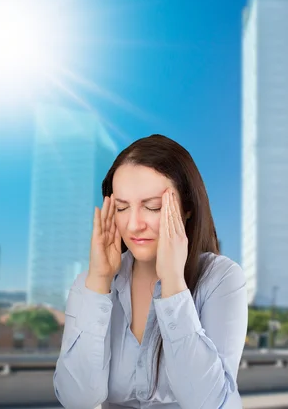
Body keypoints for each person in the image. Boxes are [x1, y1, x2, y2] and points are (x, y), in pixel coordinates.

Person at [53, 134, 248, 409]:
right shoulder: (89, 284)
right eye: (121, 208)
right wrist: (99, 282)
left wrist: (173, 284)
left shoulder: (221, 279)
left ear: (187, 208)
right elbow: (76, 399)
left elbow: (209, 404)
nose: (134, 225)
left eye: (153, 207)